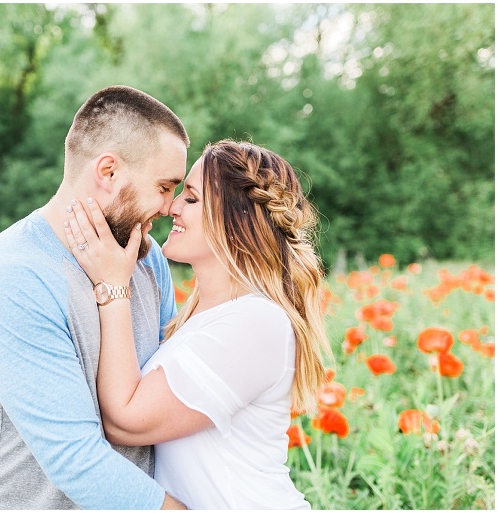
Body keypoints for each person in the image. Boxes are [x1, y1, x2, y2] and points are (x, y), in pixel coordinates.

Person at [63, 139, 333, 509]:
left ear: (237, 219)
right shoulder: (201, 315)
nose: (171, 207)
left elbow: (127, 420)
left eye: (190, 198)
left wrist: (113, 285)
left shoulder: (255, 322)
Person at [0, 85, 191, 509]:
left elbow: (165, 402)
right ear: (108, 172)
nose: (170, 207)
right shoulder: (11, 276)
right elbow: (75, 461)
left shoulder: (147, 260)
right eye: (164, 187)